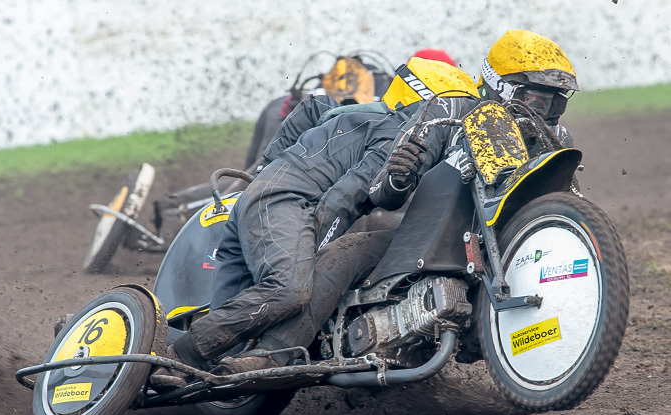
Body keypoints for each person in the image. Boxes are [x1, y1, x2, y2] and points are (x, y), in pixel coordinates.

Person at [239, 29, 582, 368]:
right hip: (407, 235)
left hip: (491, 254)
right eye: (536, 98)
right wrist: (400, 176)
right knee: (342, 257)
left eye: (557, 101)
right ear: (500, 87)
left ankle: (546, 356)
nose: (547, 110)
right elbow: (384, 191)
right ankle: (271, 353)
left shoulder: (552, 141)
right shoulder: (453, 110)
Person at [162, 56, 480, 379]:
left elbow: (312, 109)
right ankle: (178, 355)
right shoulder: (393, 133)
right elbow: (342, 201)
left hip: (269, 199)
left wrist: (264, 171)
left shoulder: (366, 116)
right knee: (290, 290)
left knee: (228, 353)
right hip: (284, 201)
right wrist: (311, 257)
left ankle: (183, 369)